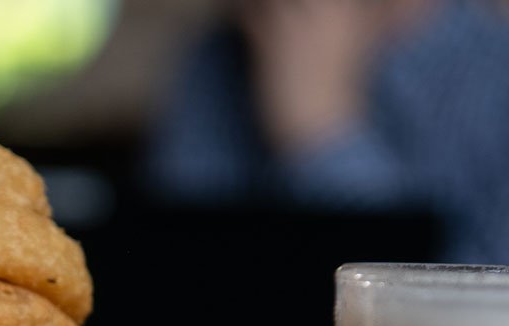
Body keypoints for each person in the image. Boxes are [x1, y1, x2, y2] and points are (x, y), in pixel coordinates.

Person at [144, 0, 509, 265]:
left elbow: (469, 319)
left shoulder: (495, 75)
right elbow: (179, 274)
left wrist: (322, 133)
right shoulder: (214, 62)